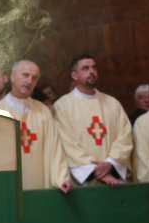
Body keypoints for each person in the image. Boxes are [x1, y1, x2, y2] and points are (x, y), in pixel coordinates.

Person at [54, 53, 133, 186]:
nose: (91, 71)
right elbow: (66, 143)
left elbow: (125, 135)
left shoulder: (112, 103)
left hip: (114, 177)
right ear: (74, 75)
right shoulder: (62, 106)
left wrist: (111, 162)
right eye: (85, 68)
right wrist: (94, 171)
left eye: (94, 68)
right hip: (81, 181)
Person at [0, 60, 72, 192]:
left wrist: (61, 178)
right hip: (9, 188)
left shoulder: (43, 111)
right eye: (25, 75)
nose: (30, 81)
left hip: (40, 184)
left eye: (34, 78)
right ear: (12, 77)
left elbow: (54, 148)